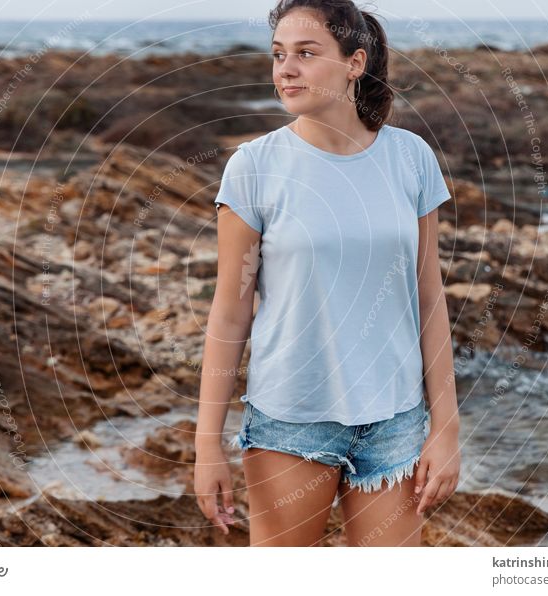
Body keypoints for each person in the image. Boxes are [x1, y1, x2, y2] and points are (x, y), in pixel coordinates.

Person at [195, 0, 460, 546]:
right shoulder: (254, 167)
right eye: (278, 55)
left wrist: (447, 428)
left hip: (395, 420)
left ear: (355, 62)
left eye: (306, 54)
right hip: (291, 419)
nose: (285, 69)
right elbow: (230, 310)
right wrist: (206, 445)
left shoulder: (410, 158)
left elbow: (428, 297)